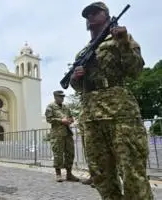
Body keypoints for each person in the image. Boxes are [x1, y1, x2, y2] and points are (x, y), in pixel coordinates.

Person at [70, 2, 153, 199]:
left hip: (120, 114)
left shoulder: (119, 38)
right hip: (90, 116)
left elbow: (136, 70)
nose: (90, 16)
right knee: (101, 175)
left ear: (107, 15)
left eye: (95, 12)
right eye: (87, 14)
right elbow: (75, 86)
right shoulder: (82, 53)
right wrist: (75, 78)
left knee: (132, 172)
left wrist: (123, 41)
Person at [45, 90, 79, 182]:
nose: (62, 98)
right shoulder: (50, 106)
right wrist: (61, 120)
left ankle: (69, 174)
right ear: (55, 97)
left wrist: (71, 120)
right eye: (60, 97)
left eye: (63, 97)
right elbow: (49, 119)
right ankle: (58, 174)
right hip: (57, 134)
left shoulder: (66, 107)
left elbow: (71, 117)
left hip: (68, 133)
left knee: (70, 153)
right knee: (58, 154)